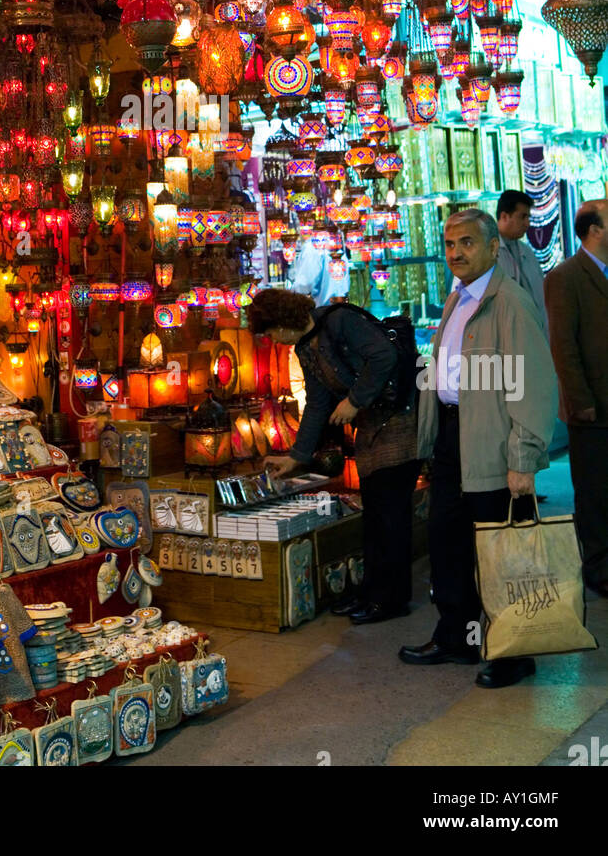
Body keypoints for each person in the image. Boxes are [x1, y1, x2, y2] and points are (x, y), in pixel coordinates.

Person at [399, 209, 557, 688]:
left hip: (492, 442)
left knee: (500, 551)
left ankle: (515, 653)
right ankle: (458, 639)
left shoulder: (508, 301)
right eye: (450, 245)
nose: (456, 253)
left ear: (493, 248)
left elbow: (531, 384)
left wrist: (523, 457)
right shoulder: (456, 299)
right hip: (453, 437)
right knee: (447, 543)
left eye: (467, 243)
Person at [248, 287, 420, 624]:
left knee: (391, 514)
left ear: (281, 323)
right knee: (374, 515)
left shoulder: (339, 321)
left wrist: (354, 401)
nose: (272, 340)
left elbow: (384, 355)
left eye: (269, 333)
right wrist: (297, 456)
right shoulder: (306, 348)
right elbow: (317, 403)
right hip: (372, 429)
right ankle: (372, 591)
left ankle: (391, 598)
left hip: (399, 423)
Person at [544, 198, 608, 596]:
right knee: (595, 494)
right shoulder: (566, 276)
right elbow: (563, 346)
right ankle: (599, 569)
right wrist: (580, 400)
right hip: (593, 409)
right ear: (595, 230)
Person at [495, 189, 548, 333]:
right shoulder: (488, 255)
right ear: (505, 216)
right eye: (523, 217)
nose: (527, 223)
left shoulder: (527, 252)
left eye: (528, 217)